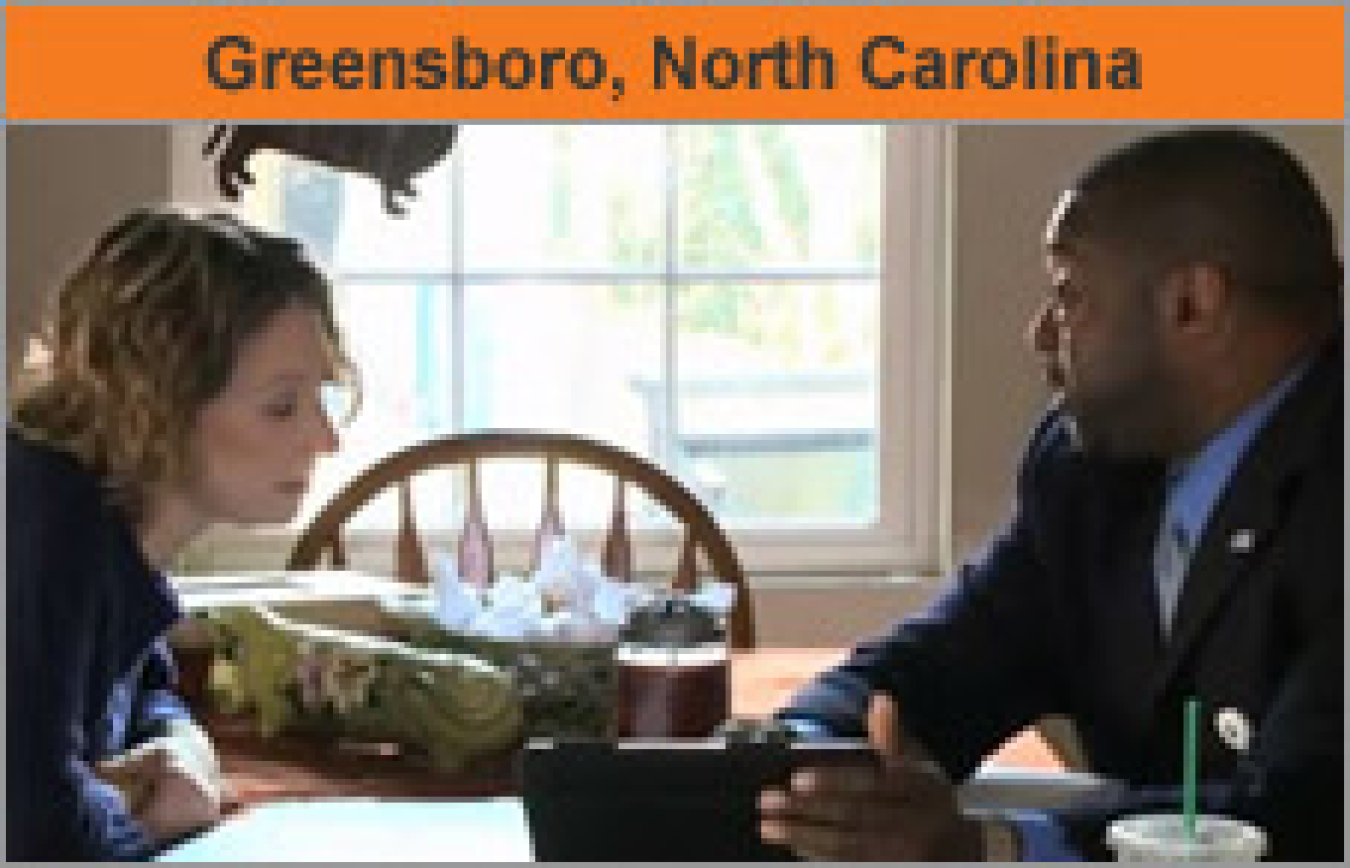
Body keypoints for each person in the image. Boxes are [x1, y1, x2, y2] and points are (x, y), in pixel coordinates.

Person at [761, 128, 1343, 861]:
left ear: (1192, 304)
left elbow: (1309, 816)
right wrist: (798, 757)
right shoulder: (1089, 467)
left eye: (1069, 294)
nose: (1039, 333)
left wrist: (999, 846)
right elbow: (945, 661)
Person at [7, 206, 355, 860]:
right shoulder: (45, 521)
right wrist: (153, 824)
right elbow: (34, 833)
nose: (326, 438)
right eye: (282, 406)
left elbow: (146, 689)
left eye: (322, 401)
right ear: (159, 403)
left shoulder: (112, 531)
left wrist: (185, 750)